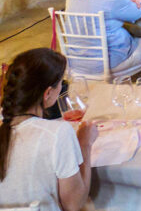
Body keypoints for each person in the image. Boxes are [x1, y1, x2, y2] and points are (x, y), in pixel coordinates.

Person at [0, 48, 97, 211]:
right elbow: (74, 204)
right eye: (61, 82)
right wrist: (85, 144)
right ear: (48, 93)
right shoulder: (57, 133)